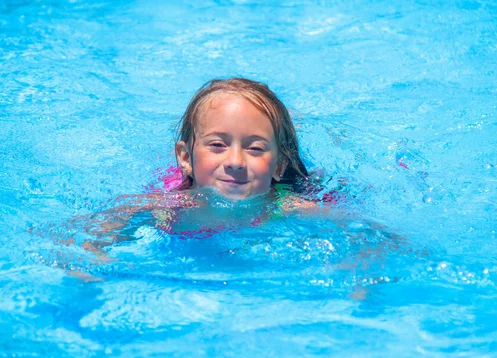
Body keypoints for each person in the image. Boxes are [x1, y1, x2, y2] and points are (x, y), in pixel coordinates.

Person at [76, 77, 325, 256]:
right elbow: (107, 220)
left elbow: (360, 233)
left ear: (279, 166)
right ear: (185, 158)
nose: (235, 162)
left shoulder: (289, 207)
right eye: (218, 144)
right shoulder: (170, 204)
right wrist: (90, 254)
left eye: (255, 148)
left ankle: (295, 122)